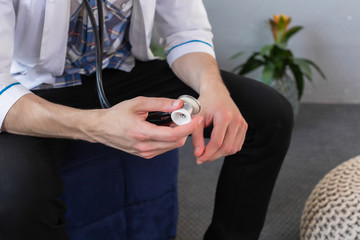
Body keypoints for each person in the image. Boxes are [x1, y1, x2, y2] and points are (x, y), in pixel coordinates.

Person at [0, 0, 293, 239]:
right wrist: (98, 126)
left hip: (122, 71)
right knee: (16, 199)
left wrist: (212, 88)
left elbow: (186, 30)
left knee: (269, 114)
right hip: (29, 92)